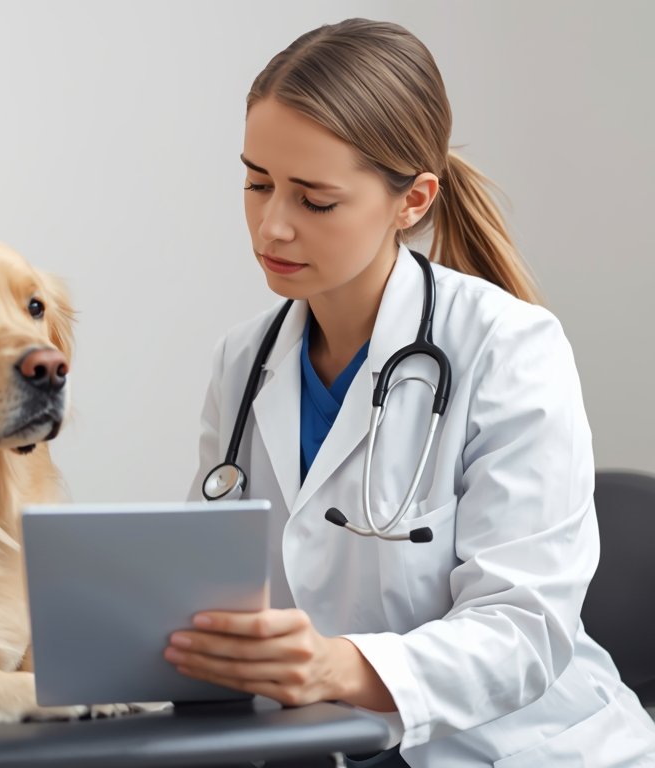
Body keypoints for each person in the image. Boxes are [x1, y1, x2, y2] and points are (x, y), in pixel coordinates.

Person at [168, 18, 655, 767]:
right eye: (257, 182)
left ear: (414, 200)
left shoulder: (508, 347)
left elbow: (524, 631)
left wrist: (339, 667)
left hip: (527, 751)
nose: (272, 225)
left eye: (314, 200)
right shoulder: (244, 361)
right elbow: (219, 593)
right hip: (330, 749)